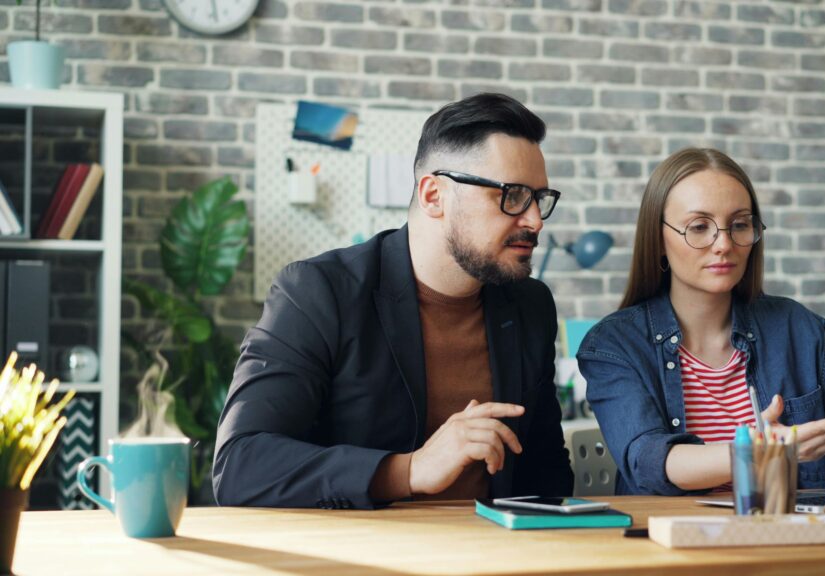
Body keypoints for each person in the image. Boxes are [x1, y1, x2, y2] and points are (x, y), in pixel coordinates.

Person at [214, 93, 573, 509]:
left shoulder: (530, 305)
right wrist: (410, 470)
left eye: (539, 199)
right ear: (434, 195)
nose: (533, 220)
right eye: (512, 195)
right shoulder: (319, 293)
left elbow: (545, 470)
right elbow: (240, 465)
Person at [577, 148, 825, 496]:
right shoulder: (613, 345)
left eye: (740, 225)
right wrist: (759, 453)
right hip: (670, 543)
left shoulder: (803, 330)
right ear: (658, 239)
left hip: (789, 539)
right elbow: (649, 460)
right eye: (699, 227)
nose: (724, 244)